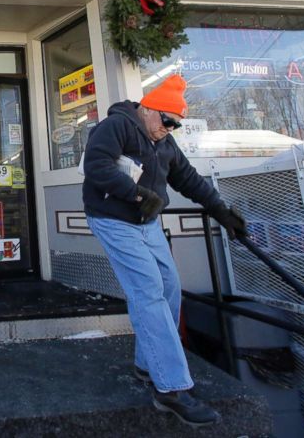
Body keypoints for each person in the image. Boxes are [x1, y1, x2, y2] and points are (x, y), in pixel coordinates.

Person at [81, 74, 246, 427]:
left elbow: (188, 179)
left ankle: (148, 363)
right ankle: (170, 388)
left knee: (169, 286)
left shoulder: (166, 143)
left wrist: (220, 210)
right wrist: (137, 193)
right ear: (149, 109)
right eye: (167, 121)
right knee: (148, 292)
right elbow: (96, 167)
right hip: (113, 219)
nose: (169, 129)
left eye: (176, 125)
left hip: (147, 223)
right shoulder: (116, 127)